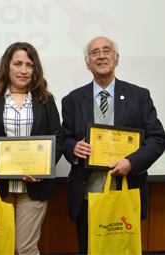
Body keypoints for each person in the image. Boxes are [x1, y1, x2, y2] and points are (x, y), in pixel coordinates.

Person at [61, 36, 165, 254]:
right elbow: (66, 138)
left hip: (126, 191)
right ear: (87, 62)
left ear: (116, 58)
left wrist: (132, 162)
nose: (101, 56)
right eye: (95, 52)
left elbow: (157, 138)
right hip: (87, 195)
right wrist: (73, 148)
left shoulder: (139, 96)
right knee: (89, 249)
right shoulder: (71, 99)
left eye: (107, 51)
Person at [0, 42, 64, 255]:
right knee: (1, 247)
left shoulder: (46, 100)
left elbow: (59, 139)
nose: (24, 70)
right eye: (17, 63)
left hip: (33, 189)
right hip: (2, 188)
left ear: (35, 70)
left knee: (24, 248)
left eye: (29, 65)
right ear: (7, 66)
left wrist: (43, 169)